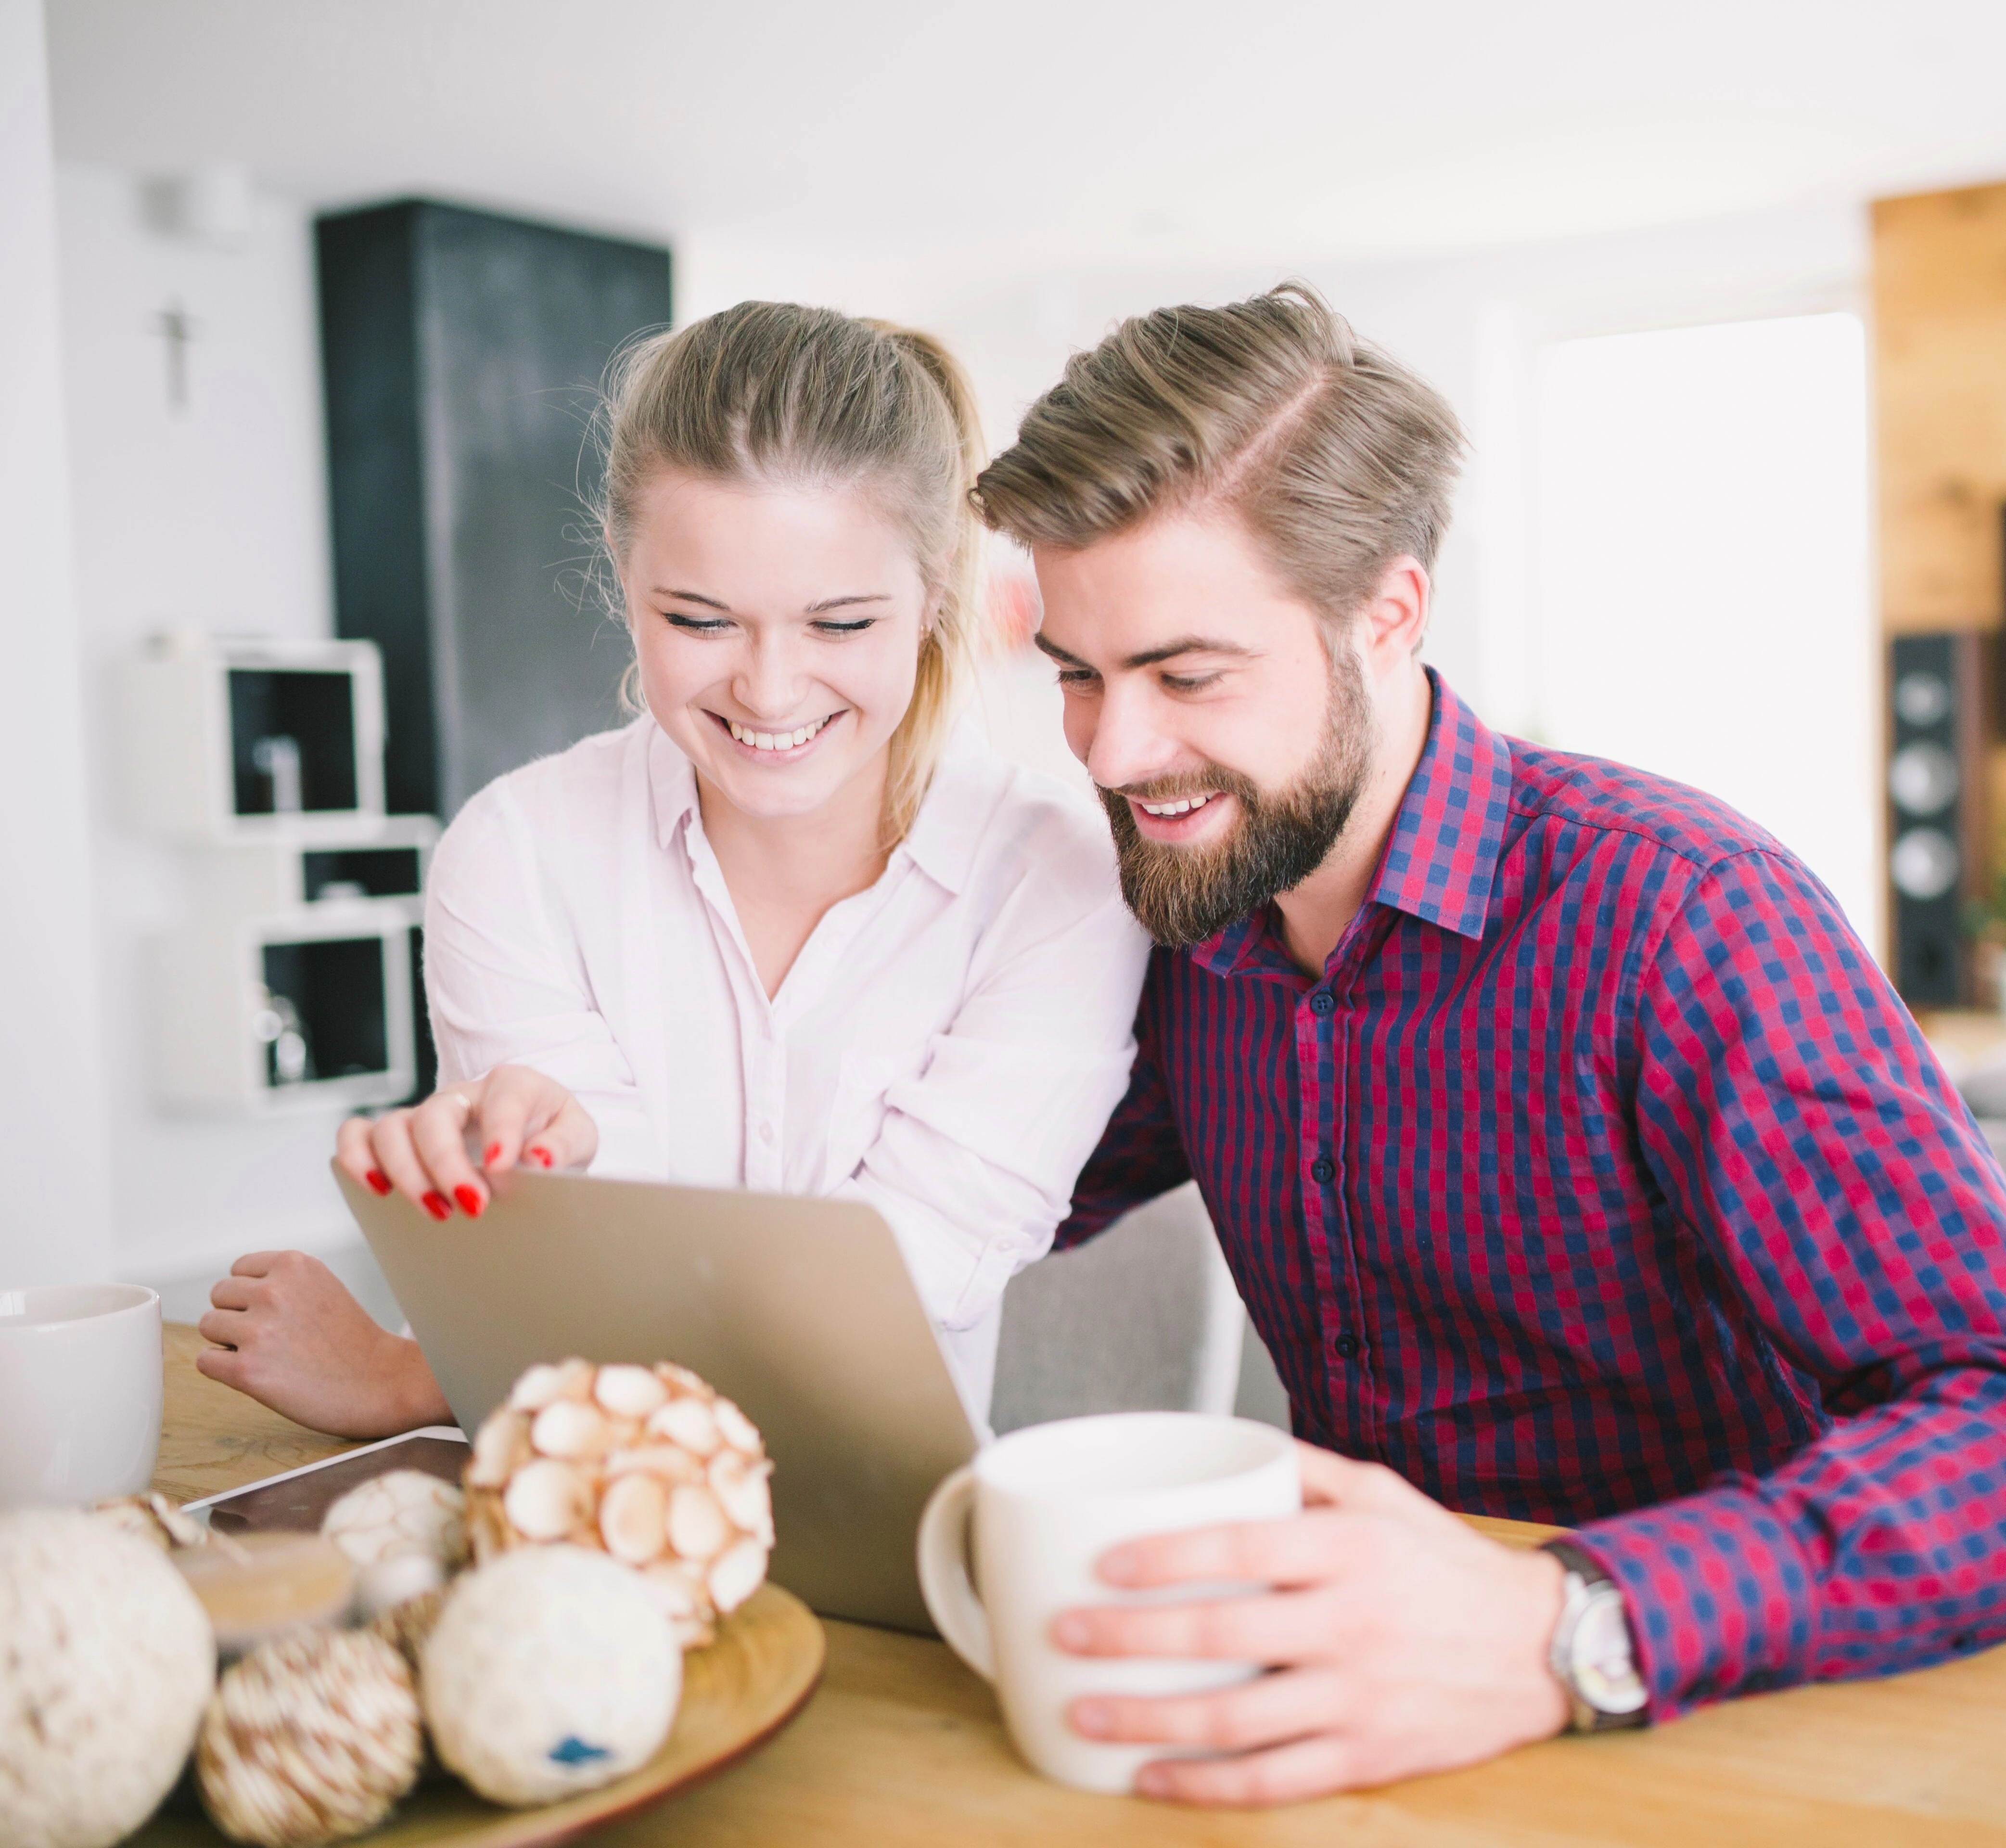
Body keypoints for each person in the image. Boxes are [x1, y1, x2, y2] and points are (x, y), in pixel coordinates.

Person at [969, 283, 2006, 1806]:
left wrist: (1558, 1621)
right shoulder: (1189, 919)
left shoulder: (1681, 918)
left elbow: (1986, 1406)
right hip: (1345, 1734)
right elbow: (964, 1202)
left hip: (1698, 1728)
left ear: (1386, 615)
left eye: (1189, 676)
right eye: (1077, 674)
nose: (1116, 755)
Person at [196, 302, 1148, 1438]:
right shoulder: (516, 855)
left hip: (878, 1581)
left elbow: (883, 1294)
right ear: (623, 580)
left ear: (935, 590)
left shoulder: (1060, 880)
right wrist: (561, 1173)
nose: (771, 689)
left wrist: (419, 1382)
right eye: (701, 620)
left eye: (840, 623)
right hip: (562, 1529)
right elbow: (551, 1287)